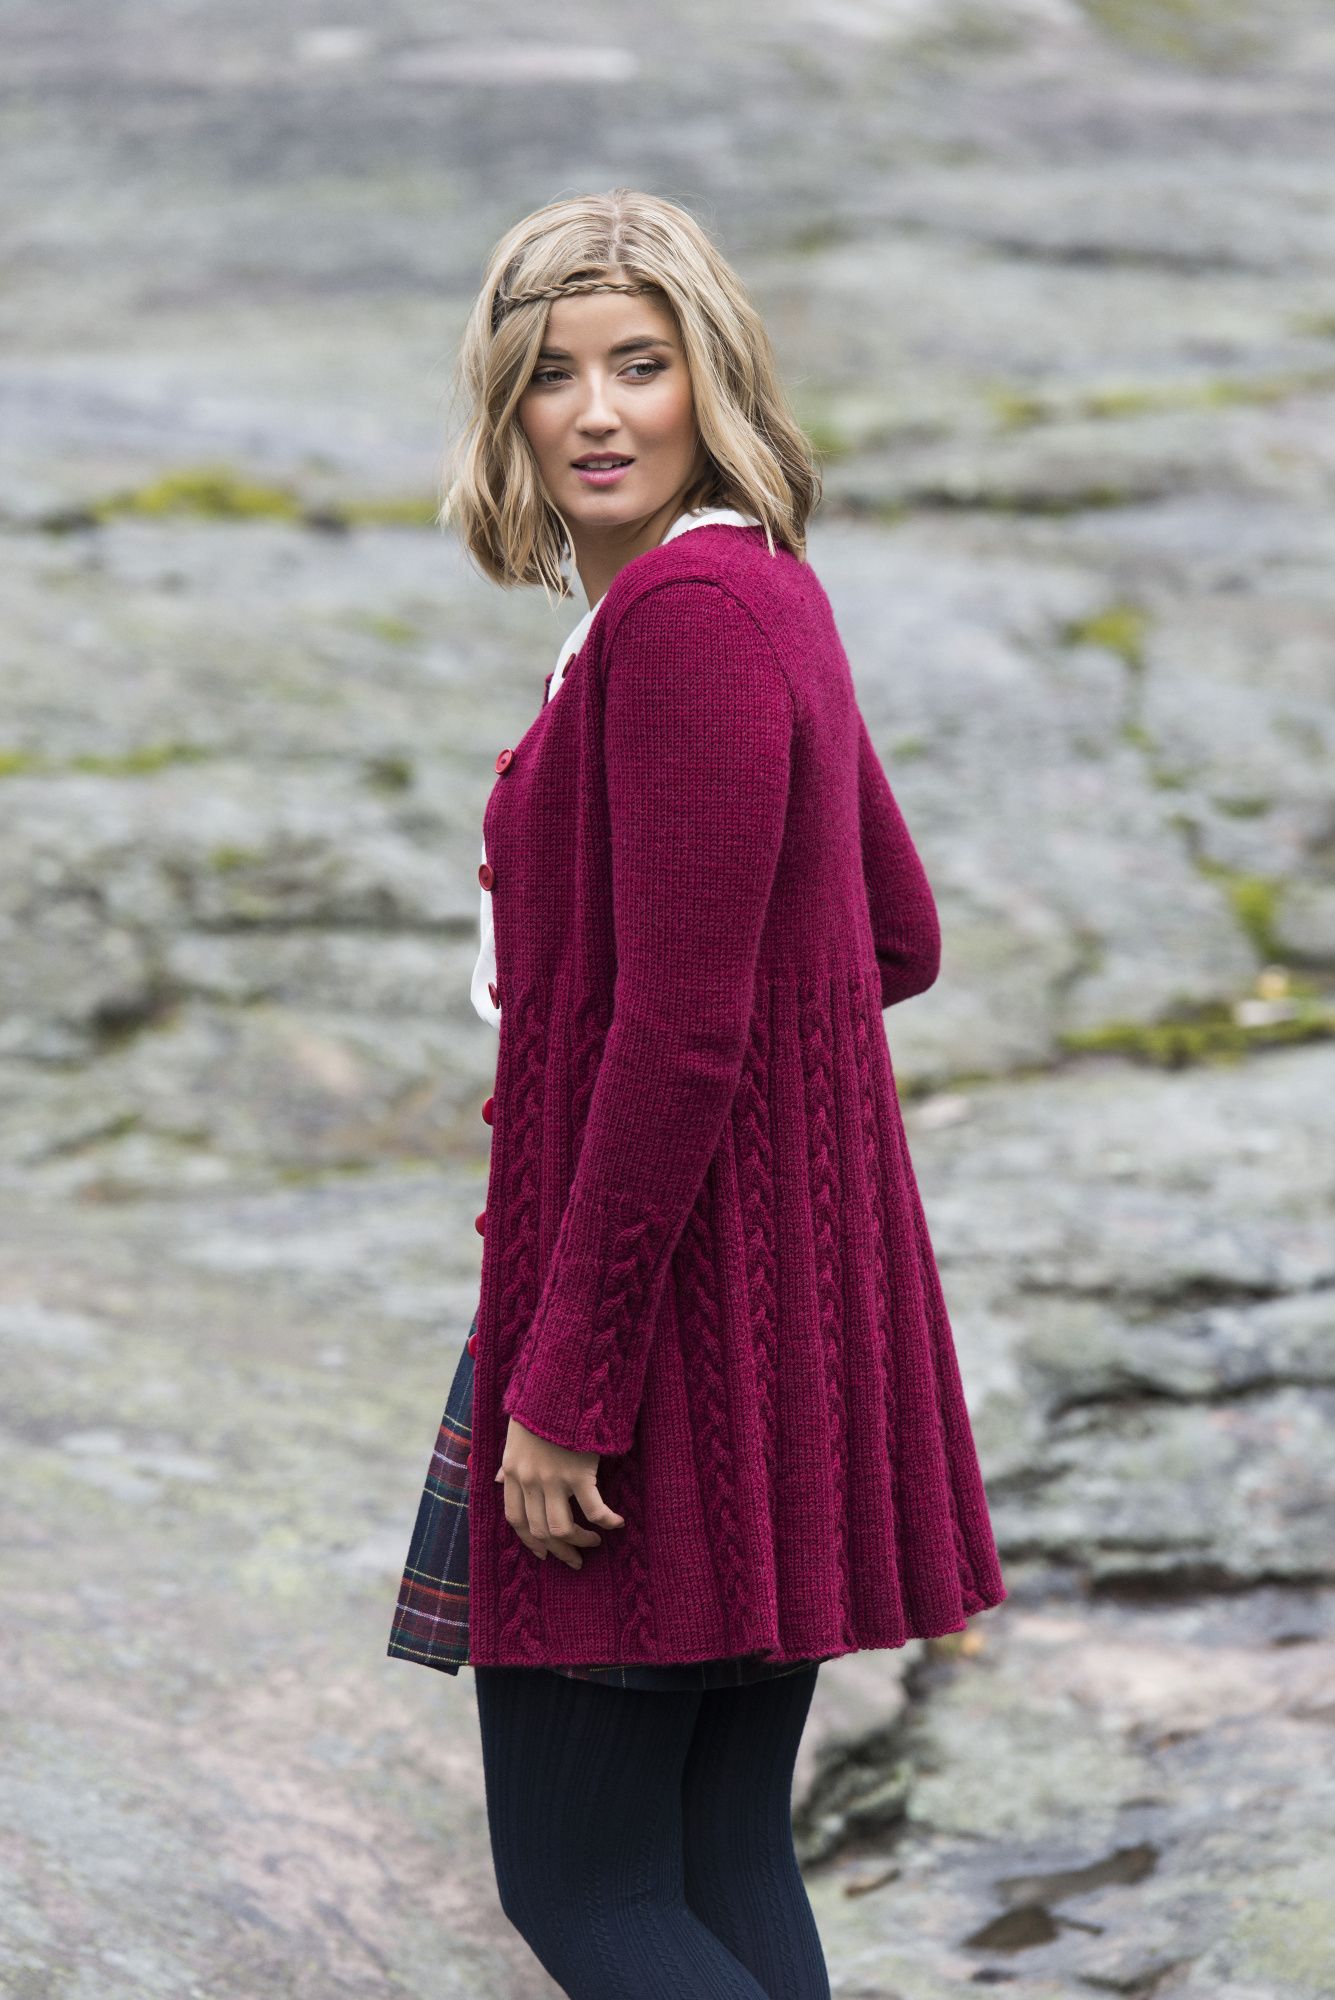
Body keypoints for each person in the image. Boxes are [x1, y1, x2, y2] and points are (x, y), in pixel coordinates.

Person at [387, 186, 1008, 2000]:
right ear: (504, 405)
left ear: (710, 379)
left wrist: (569, 1389)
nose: (595, 413)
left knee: (584, 1893)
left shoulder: (681, 625)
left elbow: (678, 1033)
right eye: (551, 373)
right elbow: (892, 933)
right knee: (718, 1860)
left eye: (640, 366)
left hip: (655, 1356)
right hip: (758, 1325)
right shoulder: (763, 591)